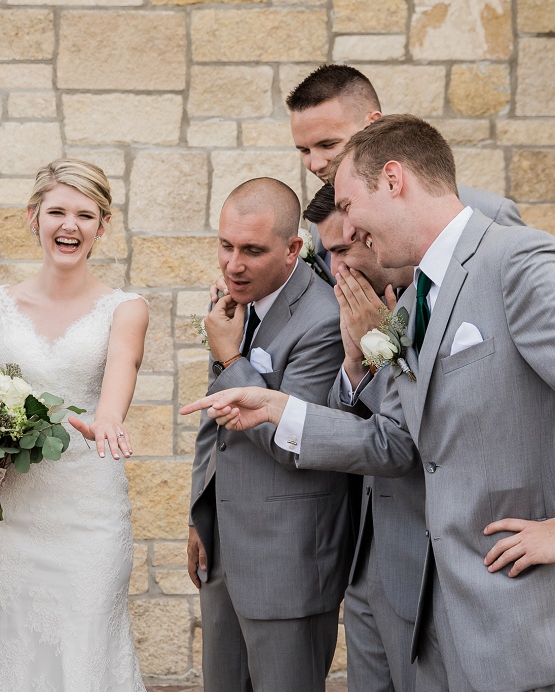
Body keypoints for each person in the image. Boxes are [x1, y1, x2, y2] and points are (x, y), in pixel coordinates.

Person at [186, 115, 555, 691]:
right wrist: (281, 411)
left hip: (510, 614)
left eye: (351, 204)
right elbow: (397, 440)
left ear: (393, 179)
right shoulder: (412, 303)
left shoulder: (518, 260)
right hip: (429, 602)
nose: (348, 225)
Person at [0, 159, 149, 690]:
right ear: (33, 217)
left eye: (85, 215)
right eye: (57, 211)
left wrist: (107, 417)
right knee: (15, 643)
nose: (70, 225)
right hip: (12, 510)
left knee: (86, 640)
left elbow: (121, 368)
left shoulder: (125, 308)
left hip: (89, 510)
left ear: (102, 226)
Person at [188, 178, 351, 692]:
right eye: (226, 245)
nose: (233, 264)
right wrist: (201, 514)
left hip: (288, 561)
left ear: (293, 250)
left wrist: (231, 358)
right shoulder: (237, 303)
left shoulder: (323, 319)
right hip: (224, 550)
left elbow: (291, 442)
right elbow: (213, 420)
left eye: (252, 251)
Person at [311, 183, 423, 692]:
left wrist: (382, 352)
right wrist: (355, 363)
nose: (335, 270)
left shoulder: (427, 300)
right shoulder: (359, 311)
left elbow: (412, 435)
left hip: (425, 565)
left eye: (341, 250)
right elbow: (354, 425)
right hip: (366, 557)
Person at [287, 63, 522, 274]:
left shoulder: (492, 214)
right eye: (304, 151)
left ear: (373, 125)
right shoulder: (320, 229)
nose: (315, 164)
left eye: (328, 144)